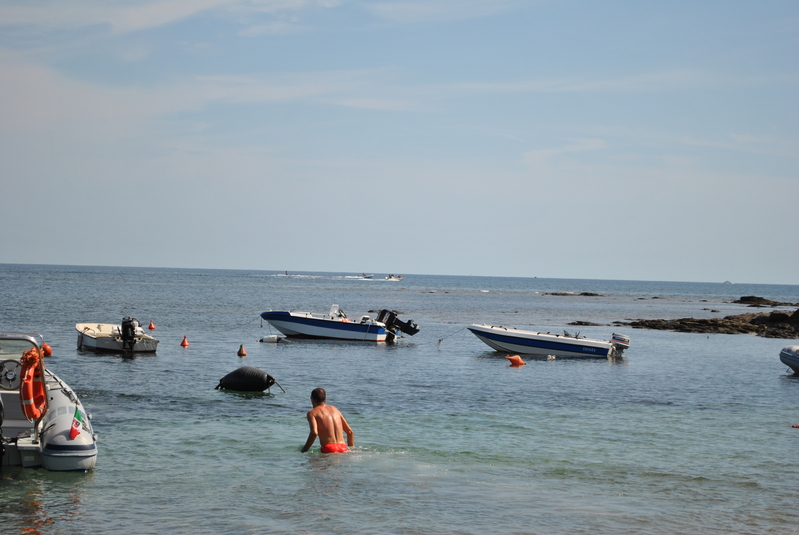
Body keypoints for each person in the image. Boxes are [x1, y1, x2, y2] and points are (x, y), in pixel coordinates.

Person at [301, 388, 354, 453]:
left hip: (328, 448)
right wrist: (350, 450)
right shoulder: (335, 410)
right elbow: (350, 432)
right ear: (325, 399)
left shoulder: (312, 413)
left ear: (312, 400)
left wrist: (304, 449)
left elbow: (314, 433)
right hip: (343, 448)